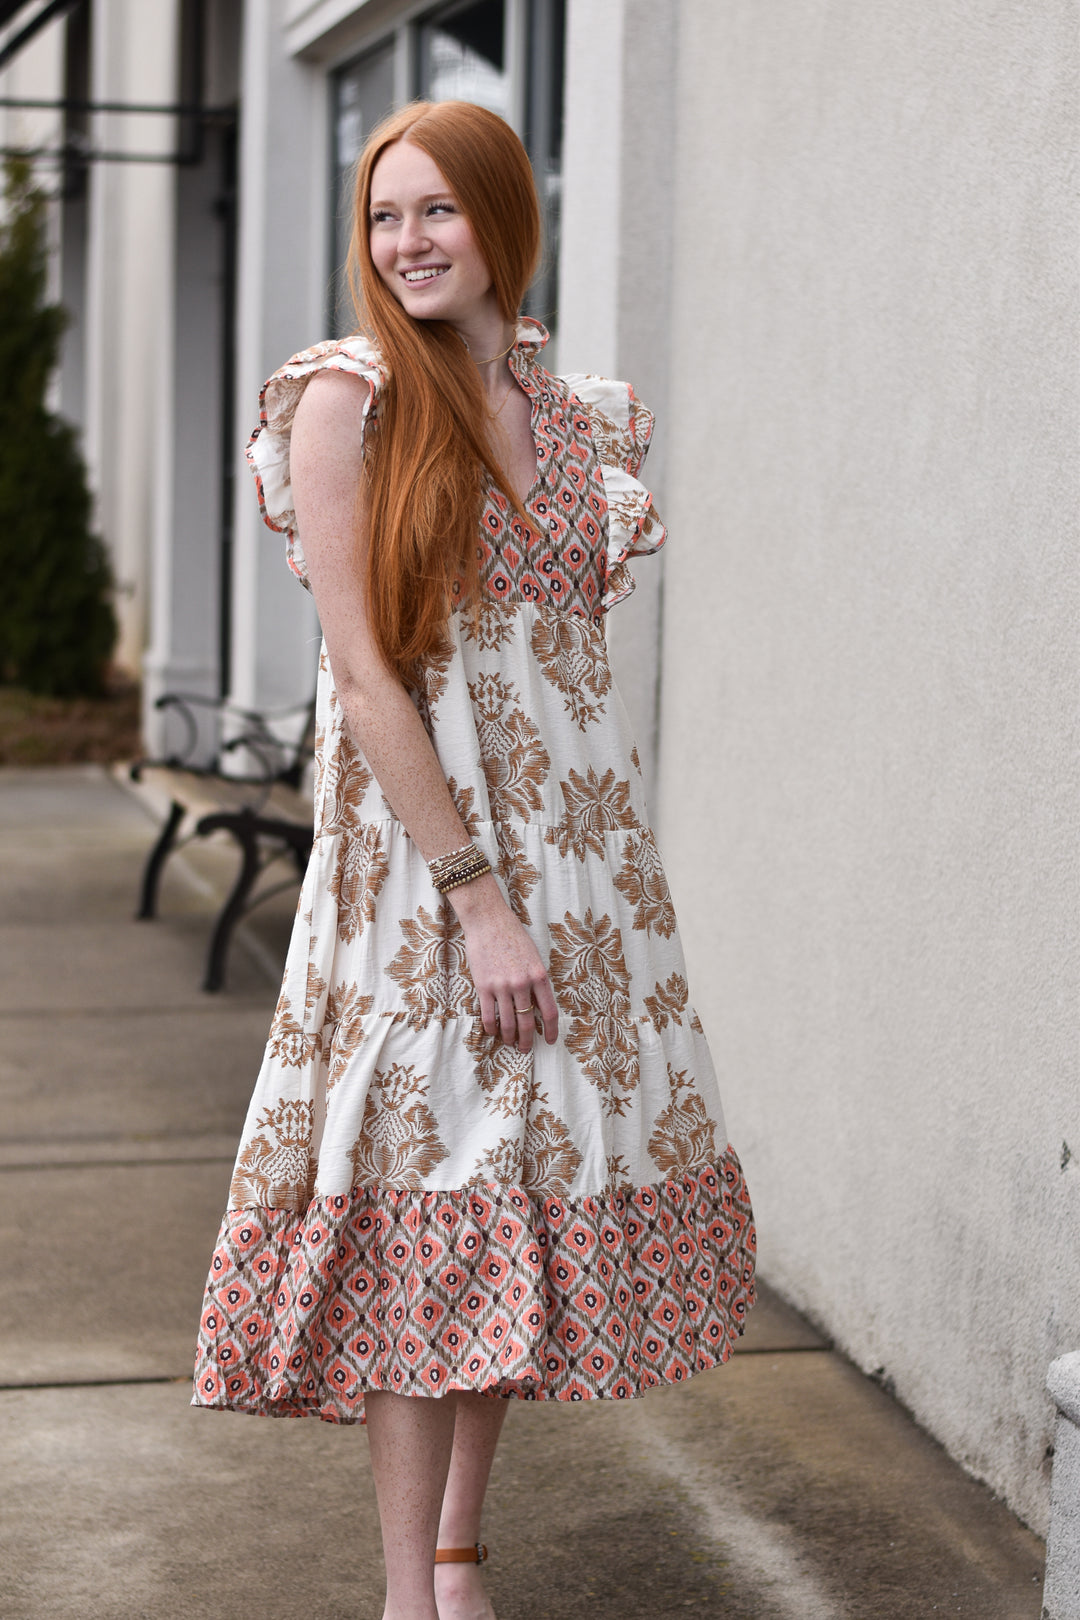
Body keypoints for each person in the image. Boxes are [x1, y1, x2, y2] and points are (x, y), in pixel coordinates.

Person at [193, 98, 756, 1620]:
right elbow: (369, 682)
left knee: (515, 1197)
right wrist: (479, 899)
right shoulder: (348, 399)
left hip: (583, 881)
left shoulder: (577, 419)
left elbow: (561, 675)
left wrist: (555, 906)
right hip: (428, 881)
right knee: (419, 1202)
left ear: (506, 217)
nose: (408, 243)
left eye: (438, 211)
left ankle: (456, 1557)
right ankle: (402, 1597)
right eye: (385, 216)